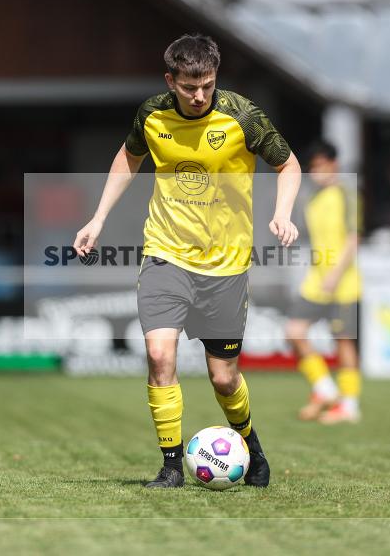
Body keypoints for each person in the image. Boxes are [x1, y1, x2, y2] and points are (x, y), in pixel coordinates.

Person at [73, 34, 301, 488]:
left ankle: (252, 448)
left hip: (226, 266)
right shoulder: (152, 114)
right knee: (160, 355)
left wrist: (282, 213)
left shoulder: (242, 116)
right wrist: (98, 218)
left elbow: (288, 165)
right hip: (165, 254)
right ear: (170, 80)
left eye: (207, 85)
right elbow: (128, 158)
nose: (199, 96)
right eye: (189, 87)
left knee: (223, 378)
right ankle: (171, 466)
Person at [285, 141, 362, 424]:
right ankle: (325, 389)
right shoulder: (312, 199)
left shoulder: (347, 194)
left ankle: (349, 407)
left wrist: (335, 274)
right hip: (316, 280)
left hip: (343, 282)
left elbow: (353, 239)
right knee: (294, 331)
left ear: (334, 164)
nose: (316, 172)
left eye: (320, 165)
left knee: (343, 342)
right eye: (312, 167)